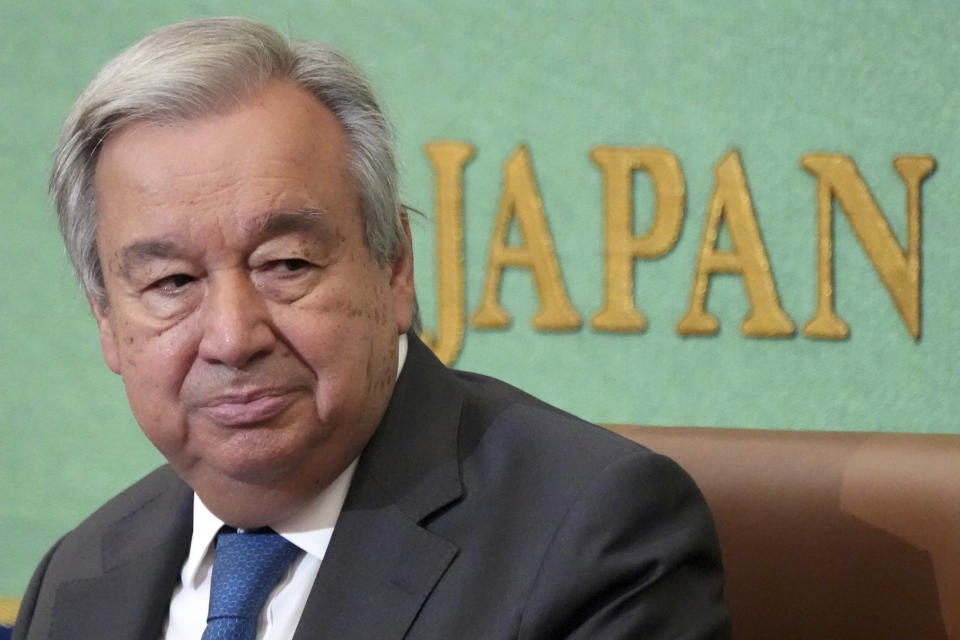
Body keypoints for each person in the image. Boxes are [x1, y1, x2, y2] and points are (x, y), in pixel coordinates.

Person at [14, 17, 729, 640]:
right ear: (106, 319)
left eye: (285, 264)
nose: (233, 338)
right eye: (172, 283)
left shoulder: (595, 541)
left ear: (394, 270)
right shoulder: (77, 584)